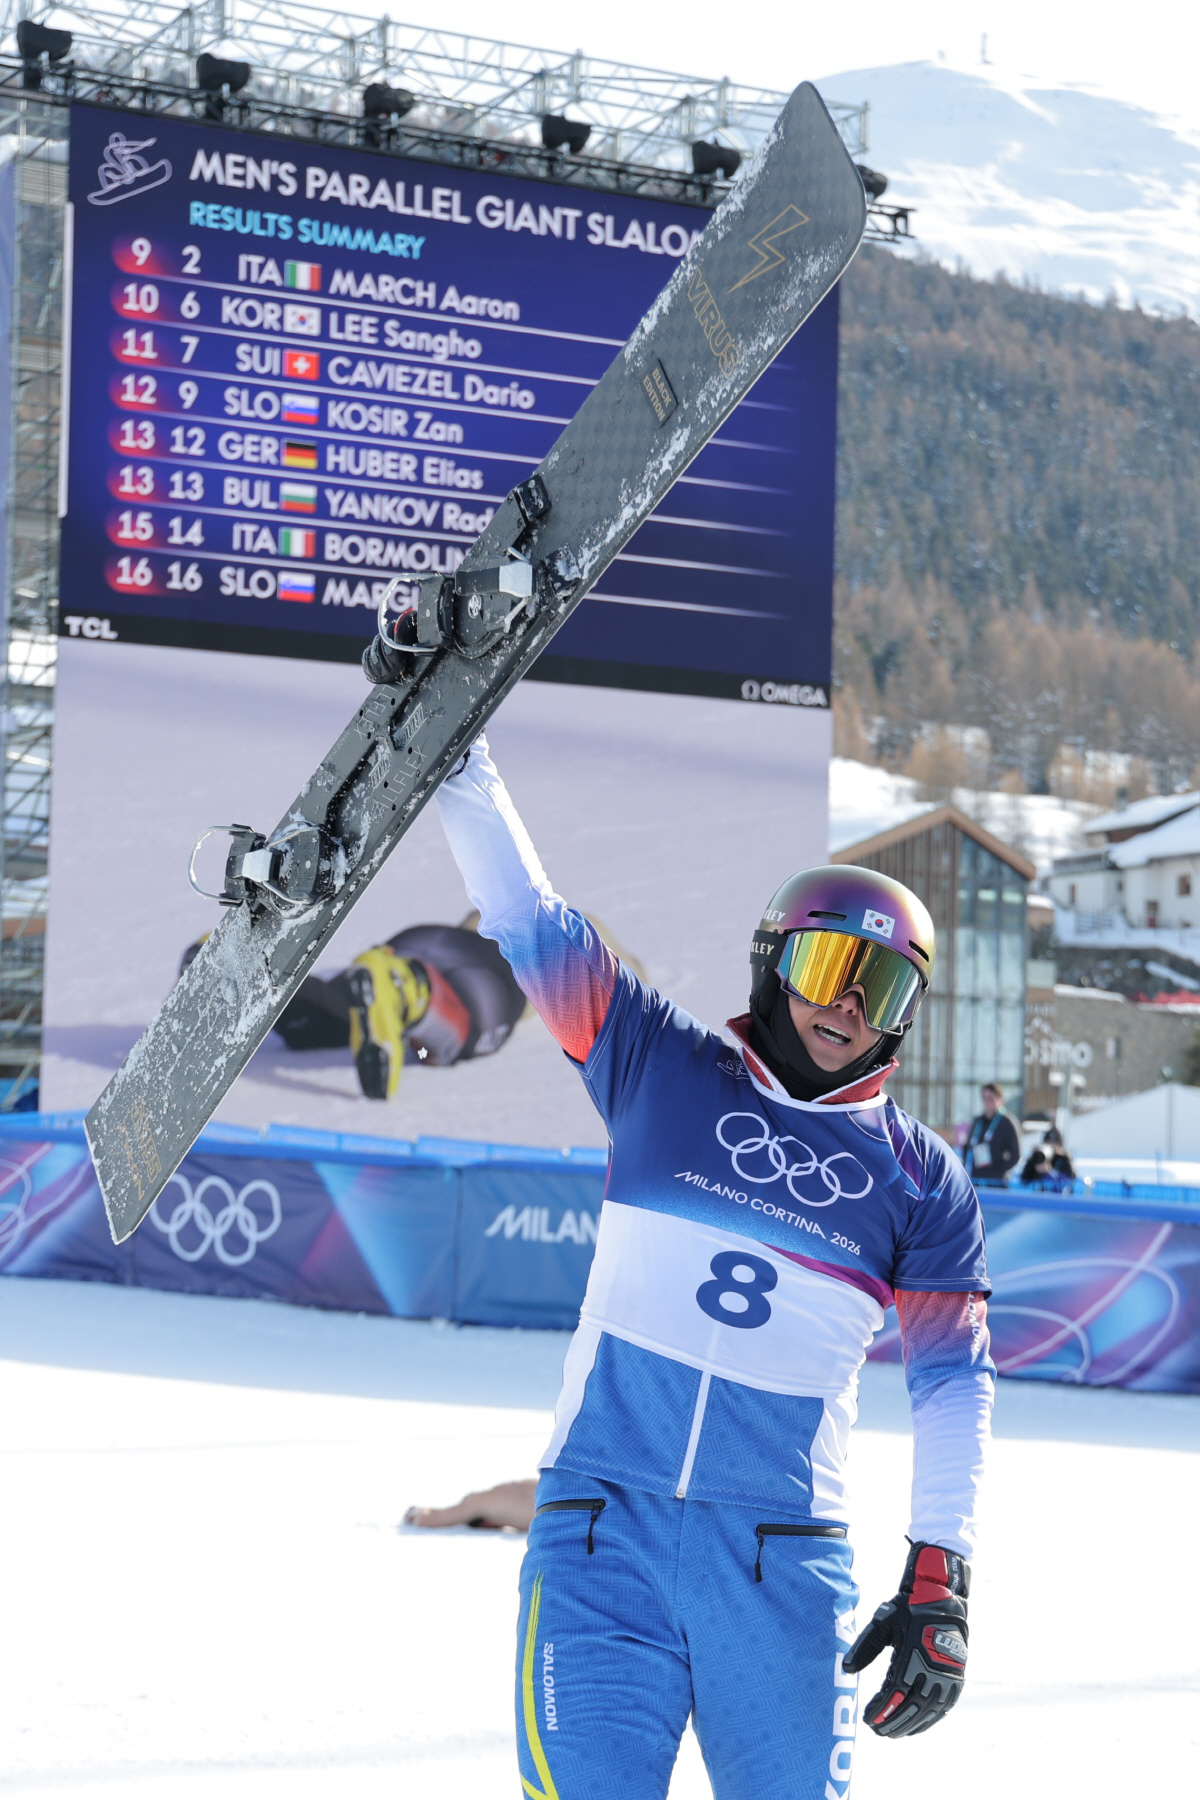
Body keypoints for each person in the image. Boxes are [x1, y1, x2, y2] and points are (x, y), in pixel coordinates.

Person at [425, 732, 994, 1799]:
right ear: (774, 959)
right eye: (830, 969)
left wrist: (940, 1571)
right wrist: (460, 762)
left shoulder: (923, 1181)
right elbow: (532, 924)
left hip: (780, 1566)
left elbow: (954, 1382)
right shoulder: (655, 1065)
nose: (846, 1009)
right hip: (602, 1541)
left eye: (882, 989)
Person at [962, 1081, 1020, 1186]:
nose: (988, 1102)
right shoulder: (978, 1121)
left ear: (1000, 1099)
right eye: (985, 1099)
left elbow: (1015, 1155)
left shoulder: (1007, 1123)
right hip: (976, 1180)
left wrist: (997, 1172)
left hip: (997, 1182)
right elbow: (967, 1147)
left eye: (991, 1098)